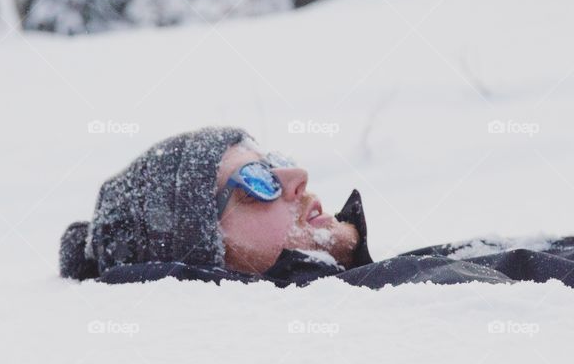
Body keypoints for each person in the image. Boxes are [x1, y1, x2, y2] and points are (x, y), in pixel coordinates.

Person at [59, 127, 574, 288]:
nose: (296, 177)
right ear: (206, 251)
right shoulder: (355, 301)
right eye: (257, 182)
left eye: (274, 161)